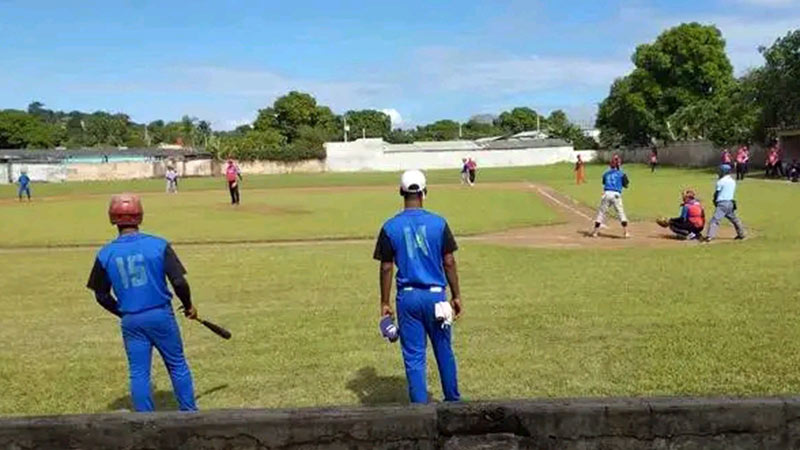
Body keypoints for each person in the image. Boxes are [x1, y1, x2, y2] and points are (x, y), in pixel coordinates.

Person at [86, 194, 198, 412]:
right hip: (161, 315)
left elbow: (101, 295)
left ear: (112, 219)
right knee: (177, 365)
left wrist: (123, 312)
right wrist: (189, 305)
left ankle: (145, 421)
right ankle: (189, 414)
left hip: (131, 321)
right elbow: (178, 282)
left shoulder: (105, 253)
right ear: (140, 217)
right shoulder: (158, 245)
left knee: (139, 372)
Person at [373, 170, 462, 404]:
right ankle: (453, 402)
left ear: (401, 192)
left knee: (414, 357)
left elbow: (386, 267)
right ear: (425, 192)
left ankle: (419, 412)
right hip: (436, 298)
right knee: (444, 351)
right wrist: (456, 295)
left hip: (408, 299)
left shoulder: (390, 227)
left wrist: (384, 301)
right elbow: (449, 261)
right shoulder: (439, 223)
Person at [590, 155, 630, 238]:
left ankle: (595, 232)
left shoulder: (606, 173)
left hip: (606, 193)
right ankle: (626, 233)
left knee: (601, 213)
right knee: (620, 213)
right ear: (618, 164)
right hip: (616, 194)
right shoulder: (622, 173)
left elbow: (604, 182)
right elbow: (626, 185)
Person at [705, 164, 746, 242]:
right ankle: (741, 234)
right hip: (730, 203)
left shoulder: (721, 181)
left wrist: (714, 201)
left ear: (723, 171)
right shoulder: (732, 181)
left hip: (722, 204)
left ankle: (709, 236)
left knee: (715, 220)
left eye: (720, 171)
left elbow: (717, 193)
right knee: (735, 220)